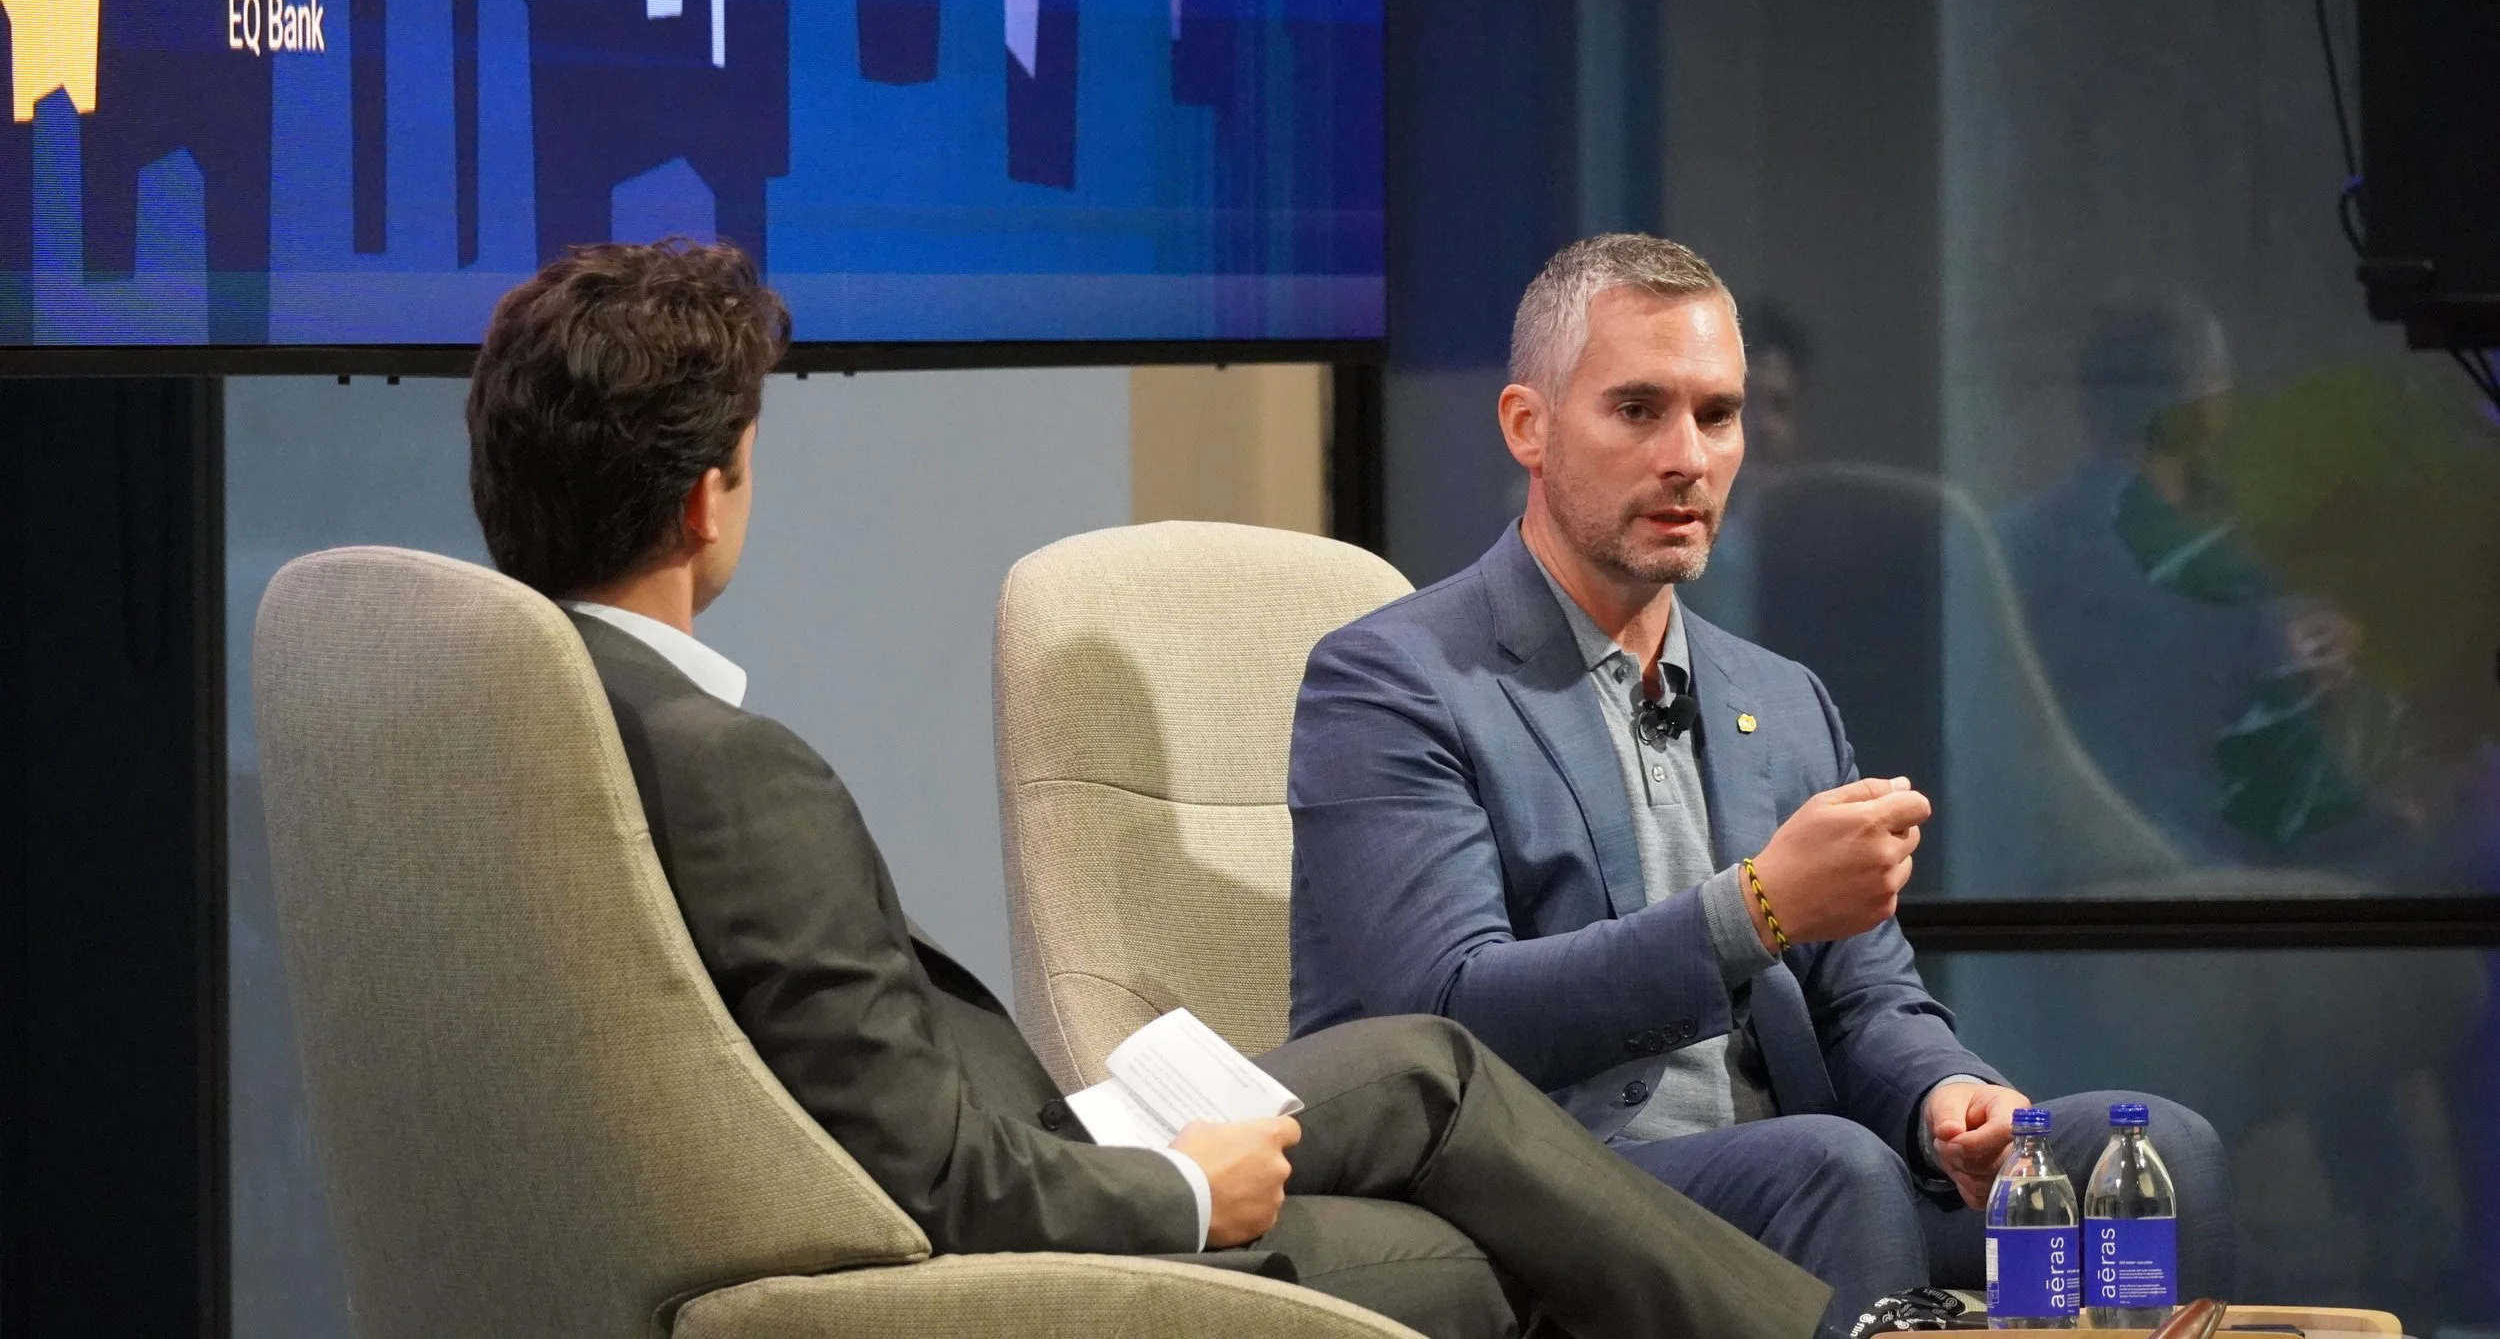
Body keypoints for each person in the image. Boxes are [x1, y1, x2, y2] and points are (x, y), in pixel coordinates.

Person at [461, 239, 1831, 1339]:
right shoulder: (727, 768)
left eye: (1715, 415)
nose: (1692, 448)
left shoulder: (539, 726)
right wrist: (1181, 1182)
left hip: (1028, 1141)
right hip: (1015, 1209)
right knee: (1493, 1246)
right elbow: (930, 1174)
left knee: (1428, 1065)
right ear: (710, 501)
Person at [1285, 234, 2235, 1337]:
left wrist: (1947, 1100)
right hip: (1544, 1186)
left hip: (1797, 1171)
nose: (1686, 456)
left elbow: (1867, 1005)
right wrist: (1755, 911)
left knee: (2155, 1149)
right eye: (1637, 411)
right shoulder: (1392, 679)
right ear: (1527, 428)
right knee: (1828, 1168)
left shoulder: (1779, 699)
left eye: (1717, 415)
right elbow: (1443, 1019)